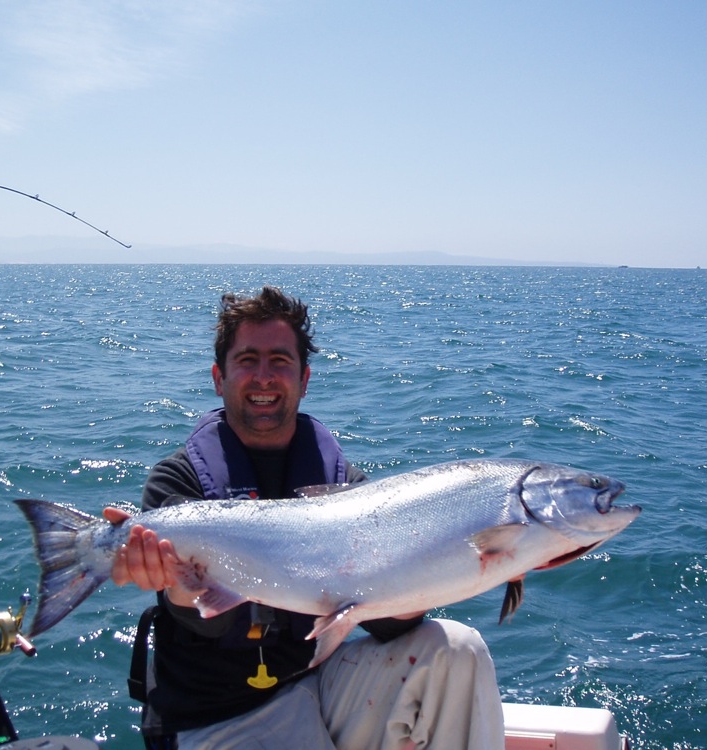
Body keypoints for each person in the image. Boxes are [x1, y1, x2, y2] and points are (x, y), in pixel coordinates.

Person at [105, 286, 505, 750]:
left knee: (458, 650)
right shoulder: (179, 480)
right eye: (247, 360)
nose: (264, 378)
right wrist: (180, 588)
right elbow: (206, 622)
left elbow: (386, 625)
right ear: (219, 377)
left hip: (316, 682)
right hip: (213, 715)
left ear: (304, 378)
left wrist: (471, 563)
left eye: (280, 361)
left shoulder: (344, 486)